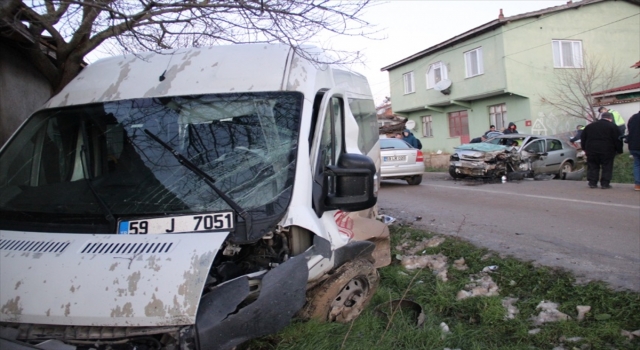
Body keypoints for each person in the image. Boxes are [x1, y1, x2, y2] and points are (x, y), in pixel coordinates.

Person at [580, 112, 623, 189]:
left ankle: (592, 183)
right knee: (607, 166)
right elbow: (618, 140)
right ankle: (605, 184)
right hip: (608, 150)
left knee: (593, 166)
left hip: (591, 149)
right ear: (610, 118)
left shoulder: (590, 126)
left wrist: (584, 148)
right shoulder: (613, 126)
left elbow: (583, 138)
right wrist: (619, 150)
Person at [627, 110, 640, 191]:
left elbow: (629, 130)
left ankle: (638, 185)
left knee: (637, 165)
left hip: (634, 146)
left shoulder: (633, 118)